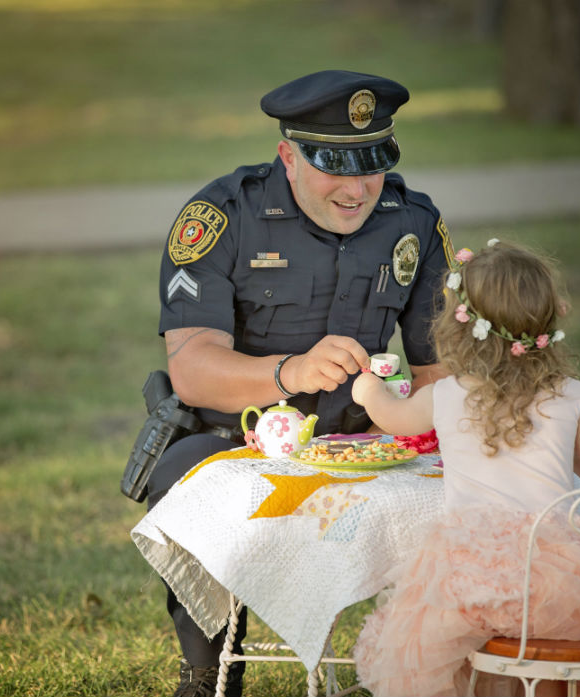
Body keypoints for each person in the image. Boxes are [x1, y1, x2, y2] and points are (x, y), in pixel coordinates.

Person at [143, 70, 455, 697]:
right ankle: (208, 676)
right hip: (235, 436)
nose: (357, 187)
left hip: (365, 436)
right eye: (334, 164)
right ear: (288, 154)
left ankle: (438, 665)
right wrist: (288, 372)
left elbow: (438, 372)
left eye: (373, 163)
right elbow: (193, 366)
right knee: (179, 477)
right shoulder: (223, 216)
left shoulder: (413, 222)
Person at [350, 240, 580, 697]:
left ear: (459, 324)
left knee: (461, 647)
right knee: (552, 634)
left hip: (471, 575)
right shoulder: (568, 394)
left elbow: (394, 419)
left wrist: (370, 391)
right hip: (557, 575)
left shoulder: (449, 394)